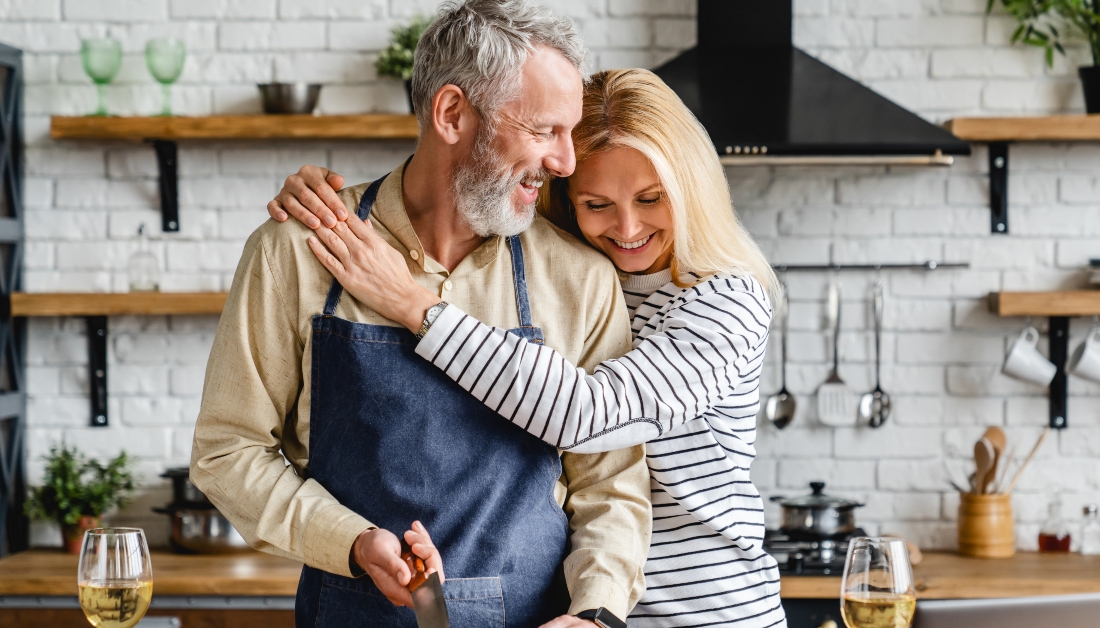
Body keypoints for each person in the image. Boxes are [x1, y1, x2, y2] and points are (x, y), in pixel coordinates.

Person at [269, 69, 787, 627]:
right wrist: (338, 202)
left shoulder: (725, 300)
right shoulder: (579, 273)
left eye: (651, 198)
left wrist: (409, 302)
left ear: (692, 186)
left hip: (705, 613)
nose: (628, 226)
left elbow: (586, 416)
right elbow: (456, 176)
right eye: (597, 204)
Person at [191, 2, 653, 627]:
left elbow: (610, 485)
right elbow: (228, 450)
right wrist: (349, 540)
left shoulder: (579, 277)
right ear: (452, 114)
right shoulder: (297, 252)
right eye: (545, 130)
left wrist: (596, 614)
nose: (567, 163)